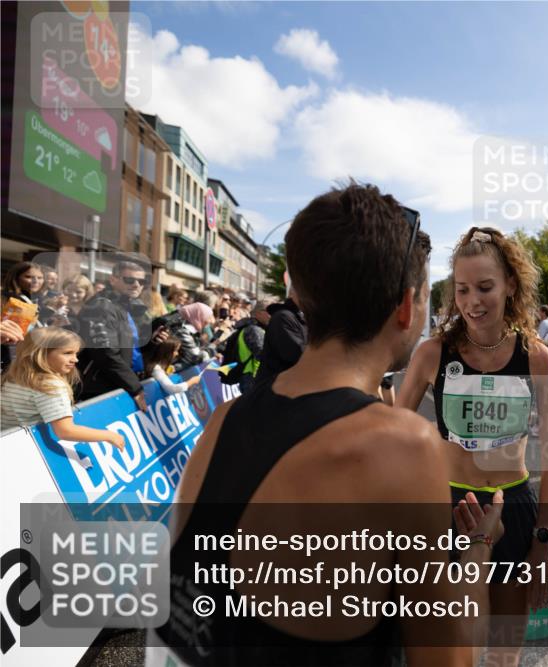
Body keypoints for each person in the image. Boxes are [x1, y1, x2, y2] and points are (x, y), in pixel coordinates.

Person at [156, 184, 504, 666]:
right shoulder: (402, 445)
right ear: (407, 307)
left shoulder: (223, 422)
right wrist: (480, 546)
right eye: (429, 297)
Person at [397, 225, 548, 664]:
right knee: (454, 648)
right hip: (450, 507)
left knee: (505, 651)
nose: (472, 301)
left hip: (514, 506)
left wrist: (543, 539)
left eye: (485, 287)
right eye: (463, 289)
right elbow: (394, 435)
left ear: (510, 285)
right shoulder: (433, 353)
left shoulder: (537, 357)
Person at [1, 327, 124, 449]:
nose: (75, 359)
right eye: (67, 353)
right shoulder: (51, 386)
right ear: (41, 354)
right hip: (28, 448)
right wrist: (108, 435)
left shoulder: (13, 376)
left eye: (76, 353)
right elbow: (65, 431)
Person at [76, 260, 159, 408]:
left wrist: (152, 340)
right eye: (129, 280)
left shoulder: (124, 305)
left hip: (122, 385)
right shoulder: (101, 306)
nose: (136, 285)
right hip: (102, 390)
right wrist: (135, 387)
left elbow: (131, 348)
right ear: (113, 280)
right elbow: (106, 353)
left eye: (141, 281)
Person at [255, 290, 307, 387]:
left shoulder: (301, 318)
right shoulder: (283, 317)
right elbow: (295, 353)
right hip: (276, 387)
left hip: (288, 385)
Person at [220, 299, 270, 393]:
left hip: (250, 376)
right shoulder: (254, 330)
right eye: (269, 311)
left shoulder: (254, 327)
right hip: (252, 377)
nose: (272, 315)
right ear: (258, 313)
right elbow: (263, 354)